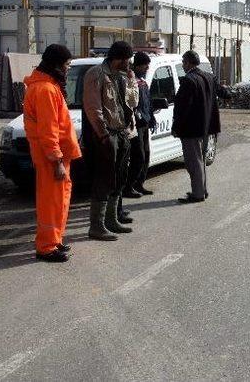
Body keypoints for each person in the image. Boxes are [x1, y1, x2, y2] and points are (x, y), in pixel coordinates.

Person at [23, 45, 81, 262]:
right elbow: (49, 131)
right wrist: (56, 160)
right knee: (51, 203)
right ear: (56, 64)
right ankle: (46, 247)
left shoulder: (48, 87)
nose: (67, 69)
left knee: (59, 200)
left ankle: (54, 240)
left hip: (56, 156)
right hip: (52, 158)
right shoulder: (45, 90)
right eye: (66, 65)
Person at [82, 41, 138, 241]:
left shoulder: (122, 77)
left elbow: (132, 103)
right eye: (127, 60)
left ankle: (111, 220)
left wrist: (131, 82)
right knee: (103, 179)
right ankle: (96, 226)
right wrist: (103, 135)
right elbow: (93, 108)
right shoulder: (96, 74)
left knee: (119, 178)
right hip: (106, 136)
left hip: (122, 133)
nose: (129, 63)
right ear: (119, 58)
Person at [172, 50, 227, 204]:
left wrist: (176, 126)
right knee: (200, 160)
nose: (183, 65)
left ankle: (197, 194)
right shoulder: (209, 77)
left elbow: (182, 107)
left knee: (193, 161)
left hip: (192, 129)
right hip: (207, 127)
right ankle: (202, 190)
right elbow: (223, 92)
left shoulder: (189, 80)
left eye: (183, 62)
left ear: (189, 63)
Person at [123, 51, 156, 198]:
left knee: (146, 154)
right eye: (145, 66)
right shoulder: (130, 81)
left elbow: (147, 103)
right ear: (137, 65)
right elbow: (131, 104)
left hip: (145, 124)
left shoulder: (143, 82)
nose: (147, 69)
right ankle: (129, 186)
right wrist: (138, 116)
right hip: (135, 125)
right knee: (139, 156)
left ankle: (139, 184)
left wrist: (151, 118)